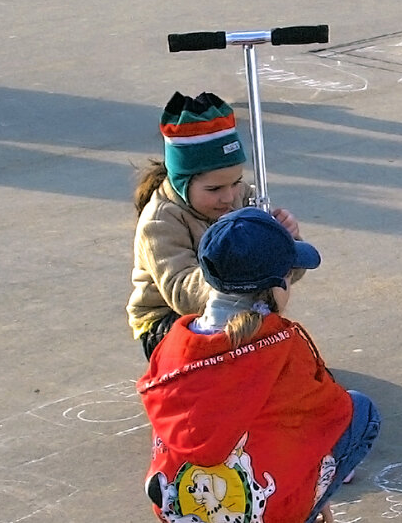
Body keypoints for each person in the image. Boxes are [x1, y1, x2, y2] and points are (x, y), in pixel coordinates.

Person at [138, 208, 380, 523]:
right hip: (255, 516)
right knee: (361, 410)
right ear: (273, 289)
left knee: (222, 446)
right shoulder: (281, 345)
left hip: (179, 508)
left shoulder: (173, 345)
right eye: (288, 277)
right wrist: (314, 493)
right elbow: (328, 416)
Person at [127, 90, 303, 361]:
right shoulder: (161, 220)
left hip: (232, 308)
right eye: (214, 188)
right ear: (182, 183)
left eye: (235, 182)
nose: (229, 197)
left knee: (276, 343)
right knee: (238, 350)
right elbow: (183, 294)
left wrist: (285, 241)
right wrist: (240, 271)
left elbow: (292, 274)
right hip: (167, 325)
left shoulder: (243, 197)